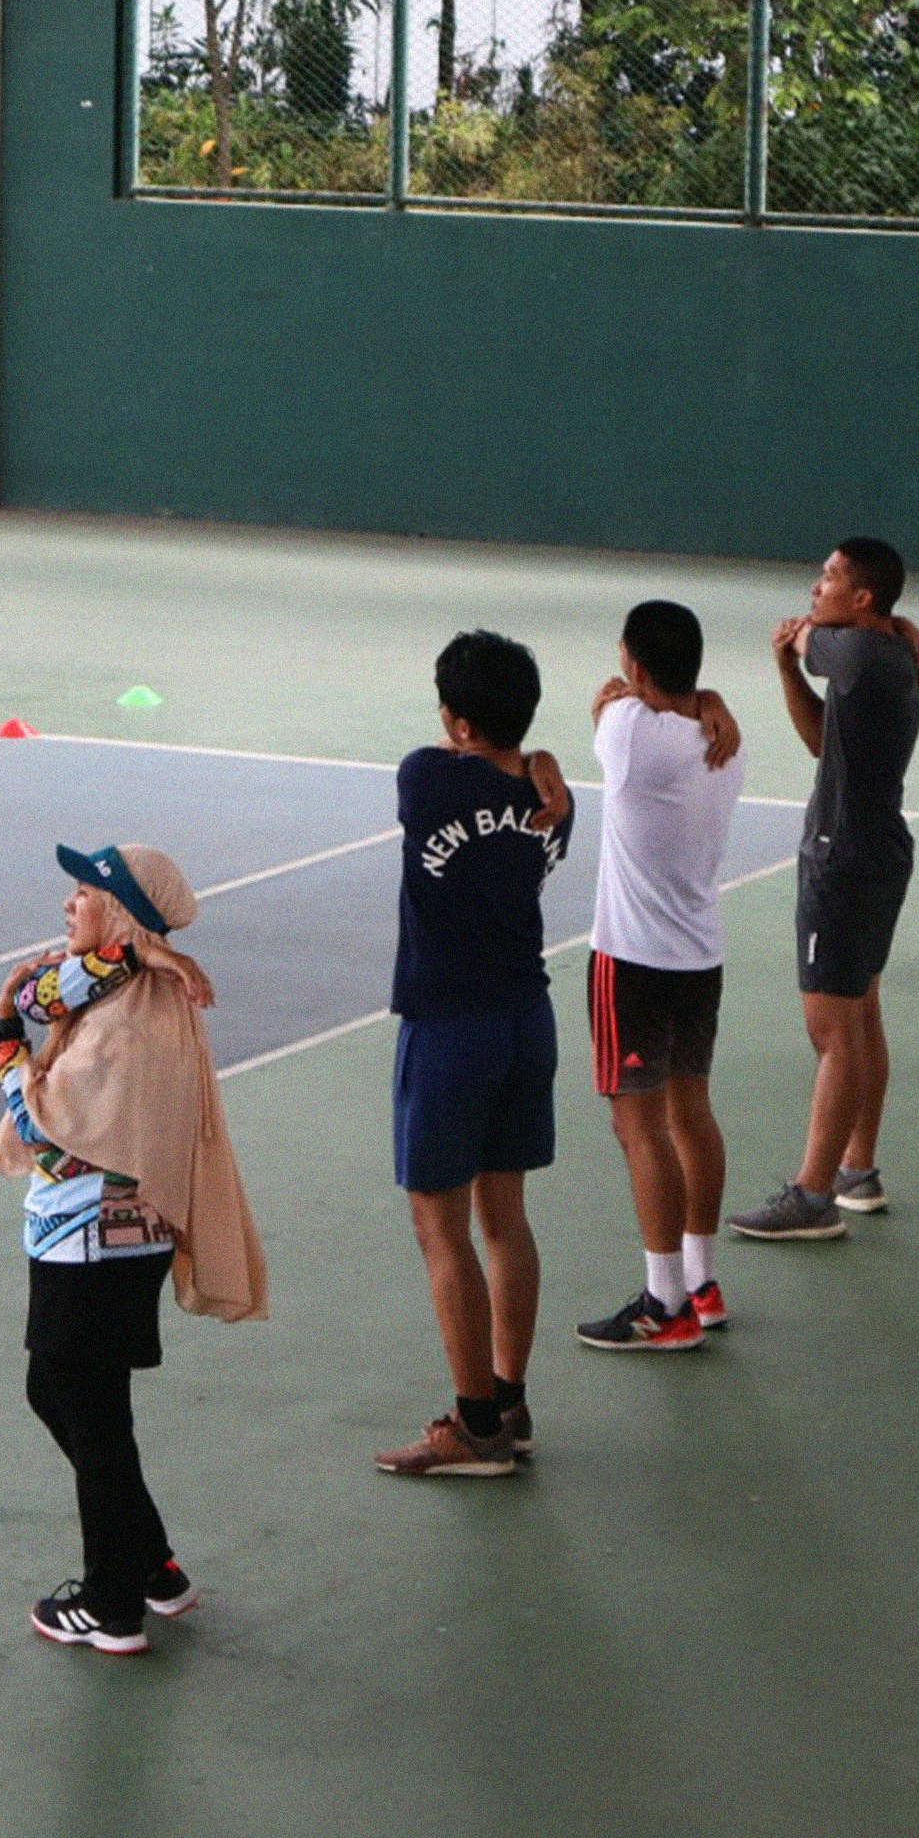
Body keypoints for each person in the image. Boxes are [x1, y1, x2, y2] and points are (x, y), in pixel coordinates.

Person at [0, 842, 266, 1653]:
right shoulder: (127, 994)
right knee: (61, 1390)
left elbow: (47, 1125)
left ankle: (112, 1602)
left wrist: (7, 1048)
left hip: (92, 1244)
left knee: (89, 1408)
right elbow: (37, 989)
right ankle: (151, 1562)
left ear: (118, 914)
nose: (68, 905)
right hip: (99, 1242)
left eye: (84, 893)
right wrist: (132, 953)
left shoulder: (123, 1031)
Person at [375, 631, 573, 1478]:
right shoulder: (553, 797)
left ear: (456, 721)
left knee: (439, 1226)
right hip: (527, 1020)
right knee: (506, 1218)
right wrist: (545, 760)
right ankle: (511, 1399)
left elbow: (442, 758)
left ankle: (474, 1424)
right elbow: (518, 761)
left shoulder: (427, 778)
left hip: (450, 1029)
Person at [732, 539, 919, 1243]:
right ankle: (857, 1170)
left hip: (841, 861)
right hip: (874, 853)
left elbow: (825, 641)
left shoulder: (857, 653)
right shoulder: (884, 656)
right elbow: (824, 742)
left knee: (832, 1032)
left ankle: (811, 1195)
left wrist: (807, 637)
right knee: (861, 1014)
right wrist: (787, 668)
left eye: (829, 577)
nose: (815, 587)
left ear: (863, 598)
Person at [573, 600, 748, 1353]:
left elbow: (603, 705)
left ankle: (664, 1303)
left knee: (638, 1127)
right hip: (699, 958)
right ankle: (702, 1282)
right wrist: (710, 700)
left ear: (638, 668)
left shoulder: (626, 733)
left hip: (631, 963)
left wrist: (662, 694)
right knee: (692, 1117)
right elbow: (655, 695)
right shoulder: (726, 743)